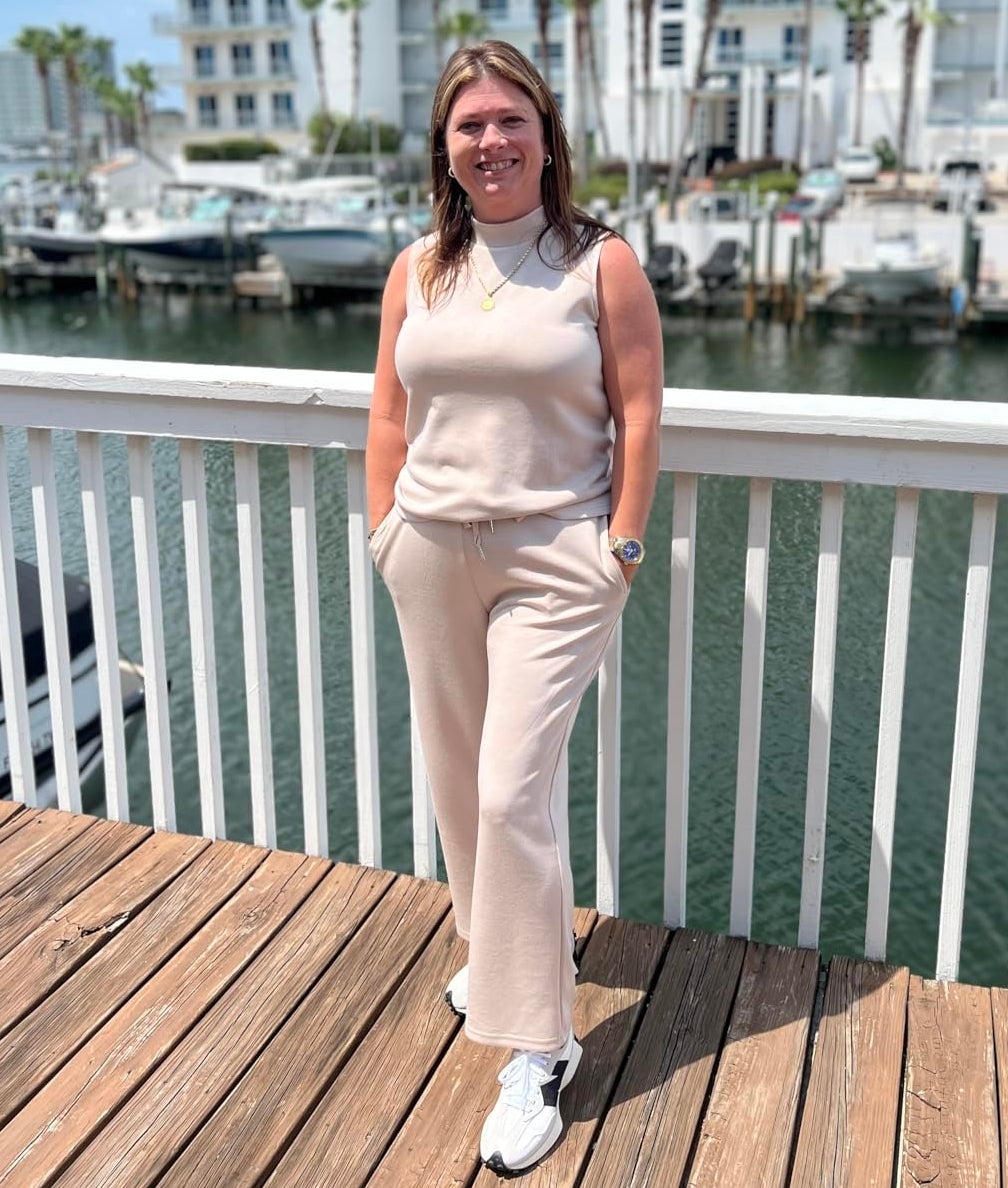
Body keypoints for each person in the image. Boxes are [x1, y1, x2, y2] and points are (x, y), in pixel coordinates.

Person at [365, 39, 663, 1175]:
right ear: (444, 148)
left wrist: (619, 545)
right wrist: (386, 529)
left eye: (509, 121)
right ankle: (498, 952)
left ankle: (540, 1044)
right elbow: (389, 414)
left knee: (509, 791)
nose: (490, 141)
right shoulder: (417, 269)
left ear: (545, 137)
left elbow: (640, 411)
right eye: (469, 125)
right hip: (431, 551)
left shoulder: (598, 261)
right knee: (458, 780)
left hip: (556, 558)